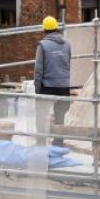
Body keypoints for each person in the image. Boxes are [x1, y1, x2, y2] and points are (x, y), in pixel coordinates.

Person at [34, 16, 72, 147]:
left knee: (41, 114)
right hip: (64, 86)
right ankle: (58, 143)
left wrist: (37, 90)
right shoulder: (67, 44)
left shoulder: (43, 45)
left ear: (44, 30)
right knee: (60, 115)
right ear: (57, 28)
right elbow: (68, 64)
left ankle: (40, 142)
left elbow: (38, 70)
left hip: (48, 86)